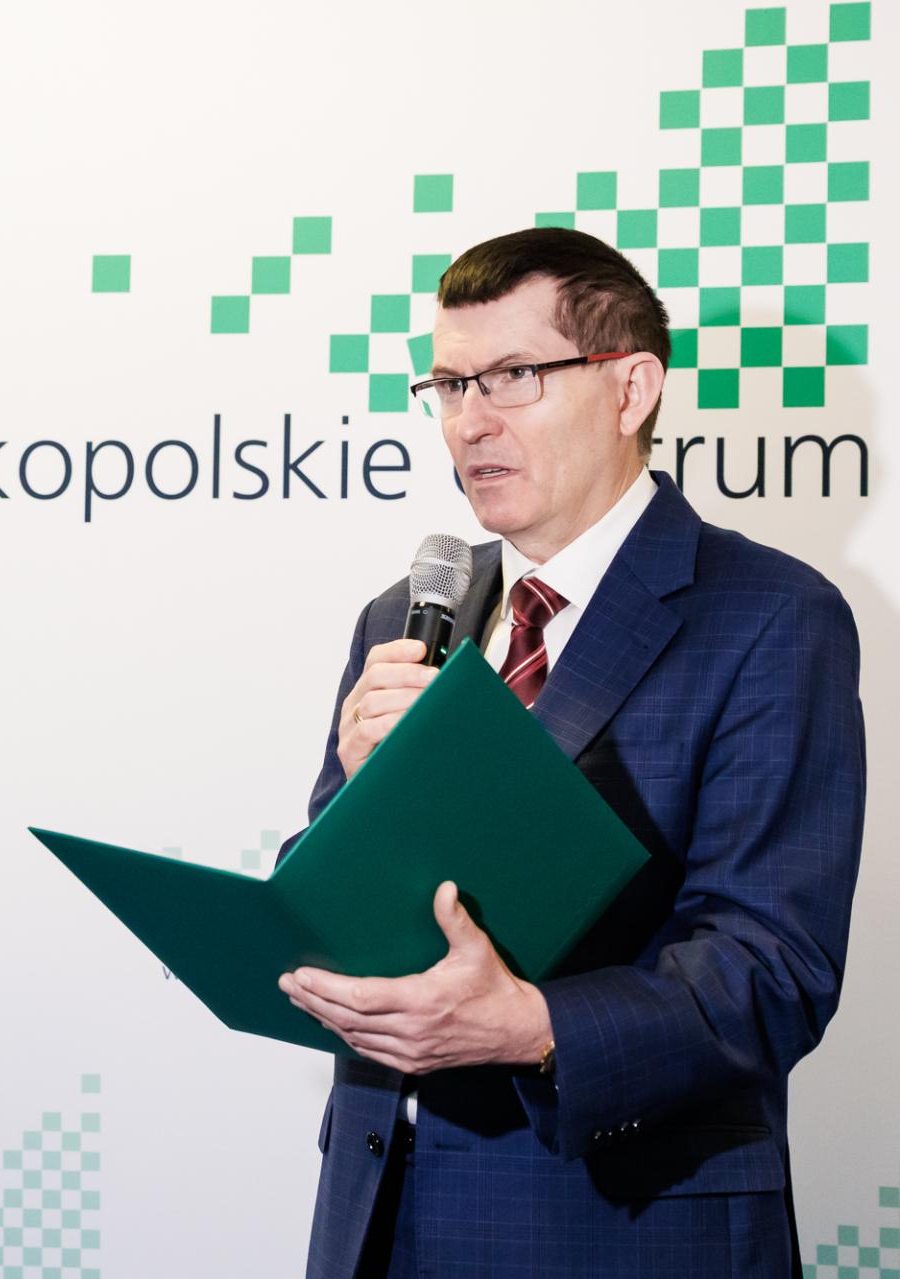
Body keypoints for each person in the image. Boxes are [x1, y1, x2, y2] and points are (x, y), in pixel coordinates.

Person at [277, 227, 864, 1278]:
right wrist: (355, 814)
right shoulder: (403, 615)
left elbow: (772, 967)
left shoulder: (771, 616)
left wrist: (530, 1025)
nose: (470, 421)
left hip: (617, 1227)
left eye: (514, 376)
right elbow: (327, 903)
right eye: (449, 384)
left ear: (631, 388)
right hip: (378, 1217)